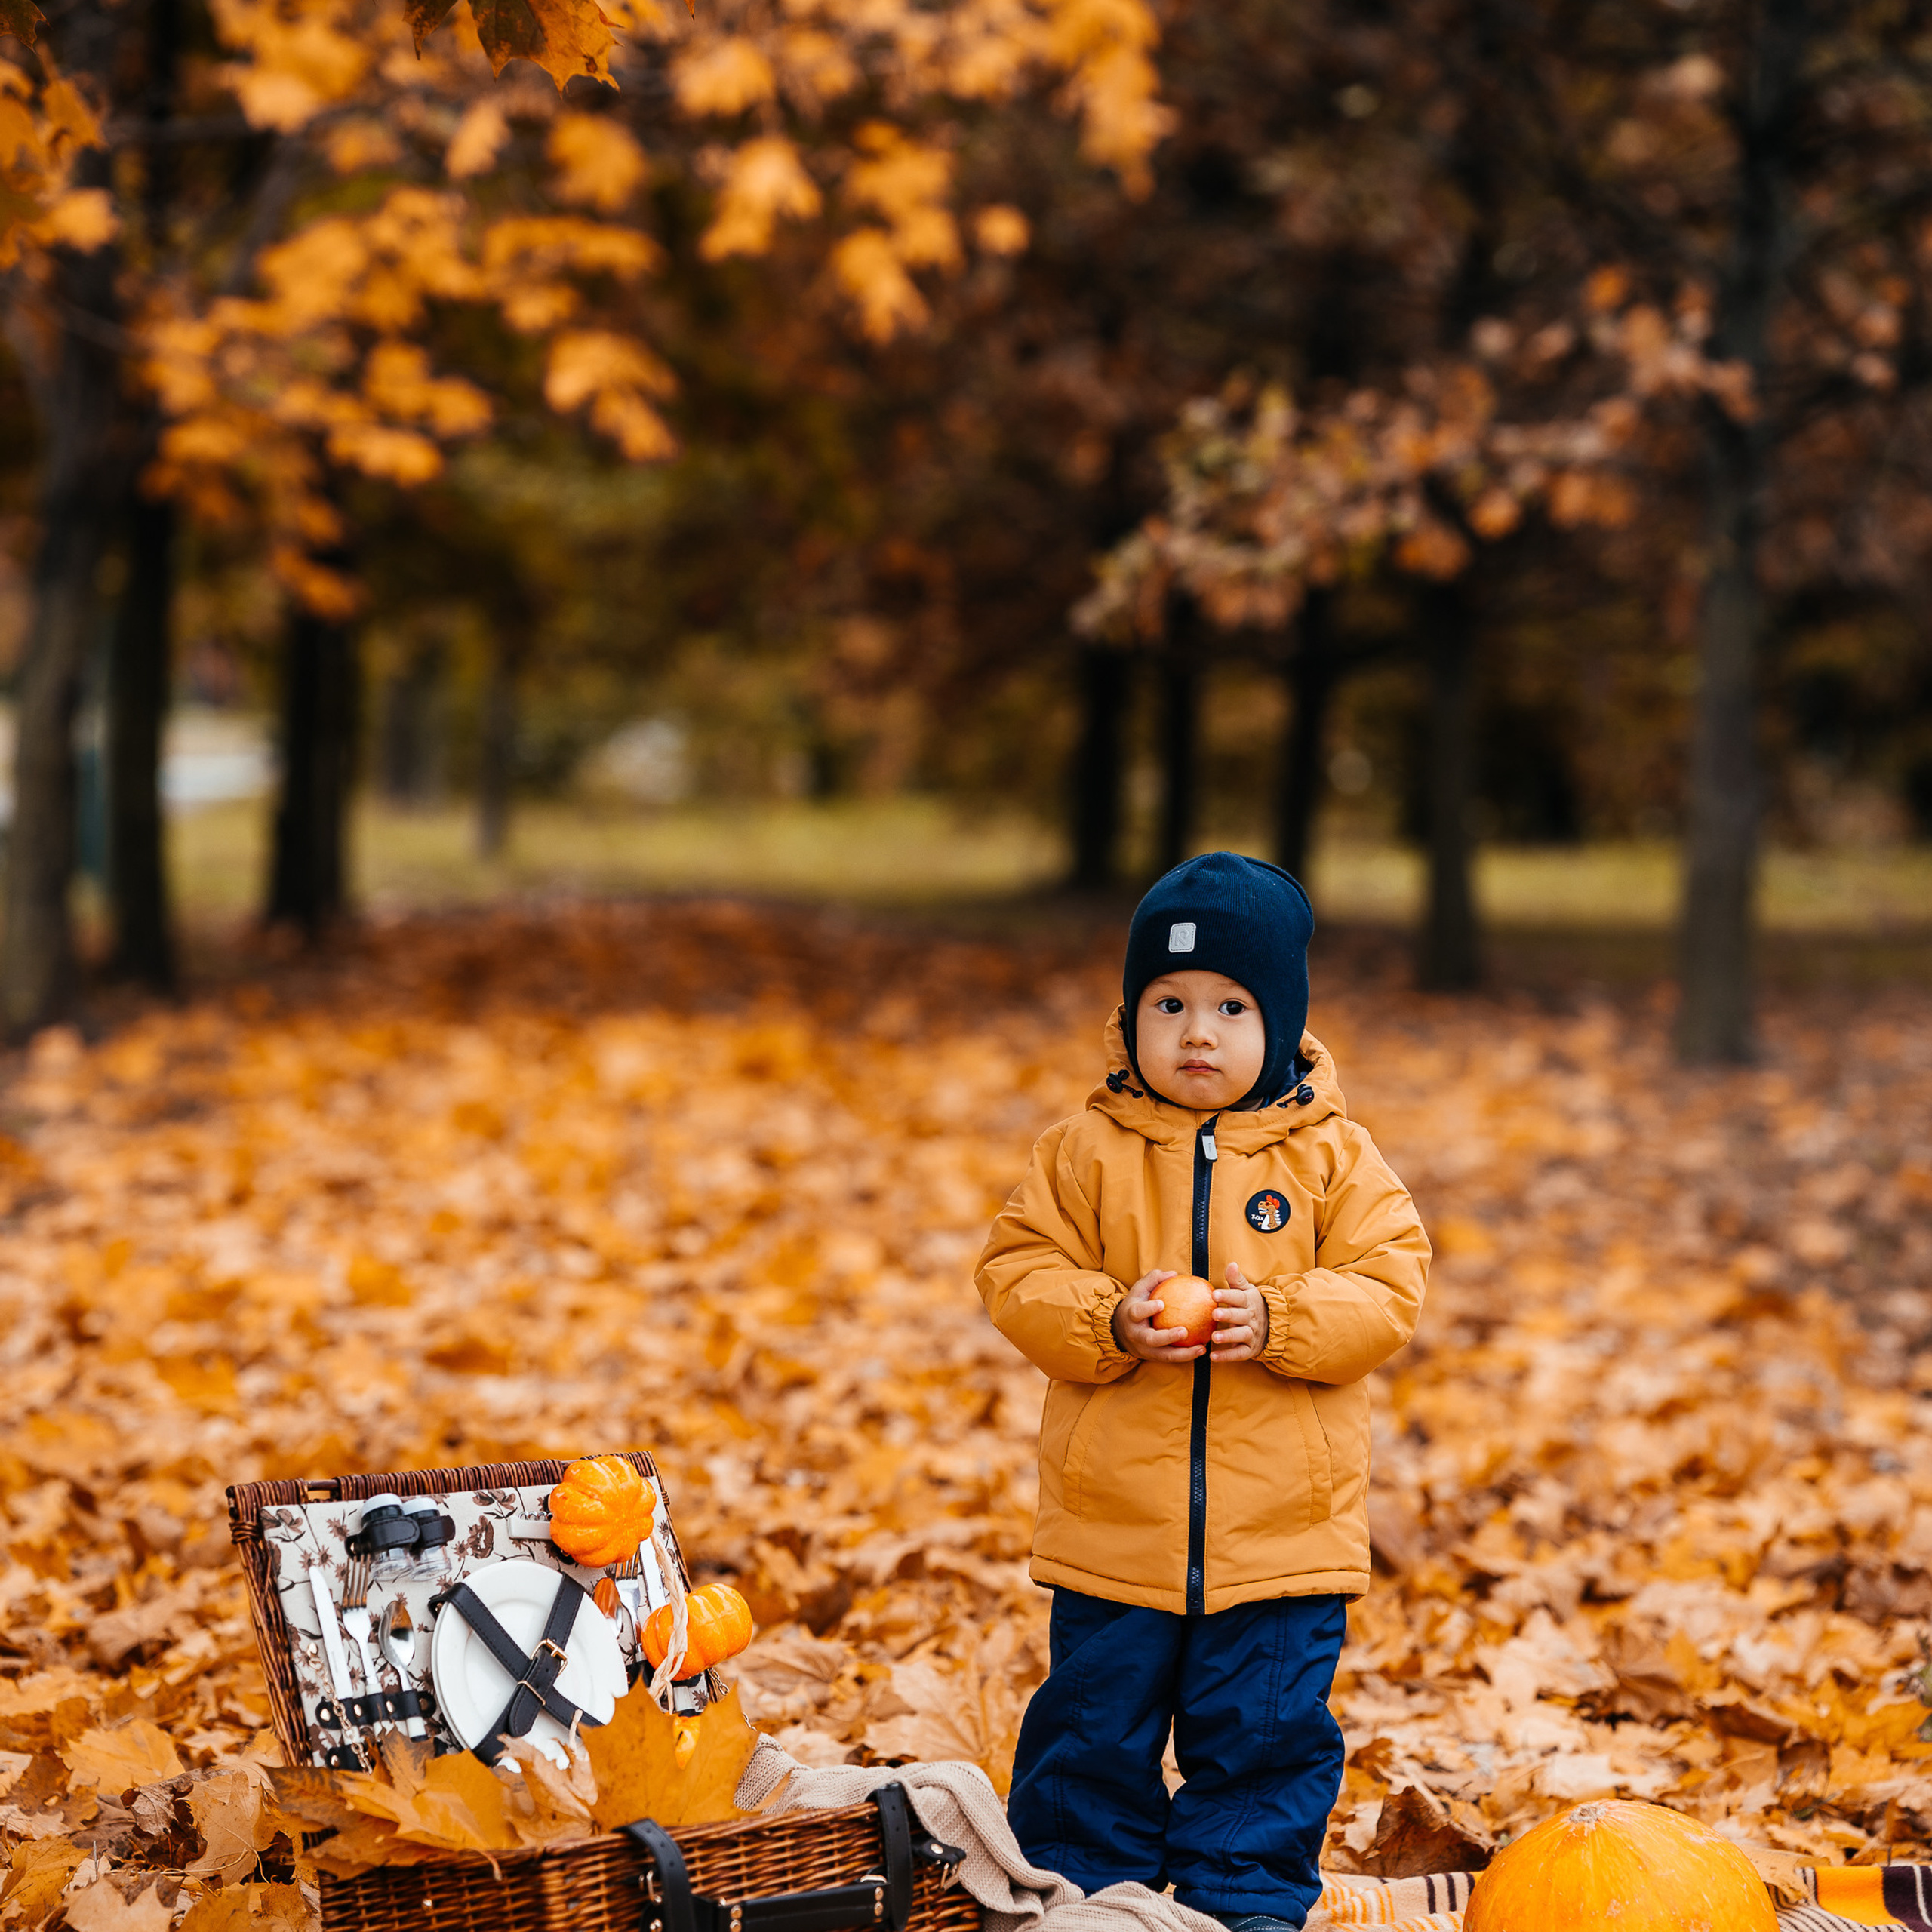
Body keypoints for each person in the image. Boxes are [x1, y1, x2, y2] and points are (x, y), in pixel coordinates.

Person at [976, 851, 1430, 1932]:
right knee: (1092, 1729)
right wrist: (1108, 1319)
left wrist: (1280, 1321)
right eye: (1167, 1004)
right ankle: (1088, 1896)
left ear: (1282, 1024)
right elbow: (1016, 1270)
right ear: (1129, 1017)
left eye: (1232, 1007)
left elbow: (1390, 1284)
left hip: (1280, 1538)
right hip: (1114, 1530)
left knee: (1265, 1736)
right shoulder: (1082, 1153)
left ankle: (1242, 1907)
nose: (1196, 1033)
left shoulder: (1333, 1159)